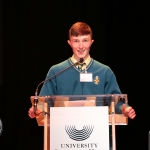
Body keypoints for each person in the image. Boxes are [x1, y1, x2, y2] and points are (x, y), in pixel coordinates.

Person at [28, 22, 136, 149]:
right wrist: (37, 110)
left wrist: (125, 108)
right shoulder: (56, 71)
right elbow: (43, 102)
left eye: (85, 40)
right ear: (69, 43)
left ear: (91, 42)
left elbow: (117, 101)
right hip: (64, 138)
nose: (80, 46)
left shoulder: (104, 71)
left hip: (97, 138)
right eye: (76, 41)